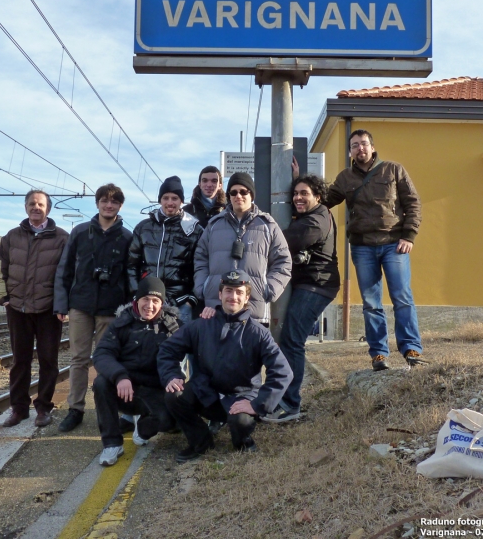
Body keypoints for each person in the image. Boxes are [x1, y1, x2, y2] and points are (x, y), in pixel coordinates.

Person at [158, 270, 293, 462]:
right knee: (174, 395)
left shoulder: (258, 333)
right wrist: (172, 375)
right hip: (206, 393)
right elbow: (168, 350)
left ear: (247, 297)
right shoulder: (201, 325)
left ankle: (243, 441)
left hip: (240, 398)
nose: (233, 297)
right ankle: (201, 441)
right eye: (229, 291)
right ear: (220, 294)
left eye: (239, 292)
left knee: (240, 422)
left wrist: (257, 404)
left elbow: (282, 372)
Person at [326, 129, 425, 371]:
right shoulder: (344, 178)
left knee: (402, 297)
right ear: (350, 151)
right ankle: (379, 354)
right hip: (362, 247)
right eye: (355, 145)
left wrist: (409, 235)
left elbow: (413, 202)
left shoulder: (393, 169)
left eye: (363, 144)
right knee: (371, 303)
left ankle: (411, 348)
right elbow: (324, 201)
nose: (360, 148)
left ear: (372, 147)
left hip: (394, 244)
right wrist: (300, 183)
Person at [53, 184, 133, 433]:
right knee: (78, 359)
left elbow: (130, 276)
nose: (109, 205)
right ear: (97, 203)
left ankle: (106, 409)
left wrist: (130, 308)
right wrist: (61, 303)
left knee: (107, 359)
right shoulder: (79, 232)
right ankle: (75, 409)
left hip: (112, 308)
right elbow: (64, 269)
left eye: (114, 202)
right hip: (81, 305)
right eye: (105, 201)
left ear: (120, 206)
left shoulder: (127, 237)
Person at [263, 173, 340, 422]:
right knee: (290, 340)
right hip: (308, 284)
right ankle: (284, 400)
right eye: (295, 193)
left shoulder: (315, 221)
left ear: (317, 197)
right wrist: (294, 175)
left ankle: (290, 404)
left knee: (292, 341)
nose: (297, 197)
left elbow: (284, 241)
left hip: (316, 285)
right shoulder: (312, 215)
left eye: (304, 193)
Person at [0, 190, 69, 427]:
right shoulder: (10, 237)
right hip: (18, 308)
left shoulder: (62, 238)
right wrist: (2, 297)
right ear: (26, 207)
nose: (36, 207)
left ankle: (44, 408)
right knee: (20, 361)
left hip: (48, 309)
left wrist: (62, 304)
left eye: (41, 204)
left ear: (48, 208)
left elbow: (67, 274)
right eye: (32, 204)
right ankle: (19, 408)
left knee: (48, 360)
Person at [91, 276, 180, 466]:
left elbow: (194, 345)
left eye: (155, 301)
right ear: (136, 300)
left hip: (154, 390)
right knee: (100, 383)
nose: (150, 305)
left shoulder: (172, 326)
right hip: (125, 388)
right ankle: (112, 444)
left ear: (162, 304)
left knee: (170, 419)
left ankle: (144, 427)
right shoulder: (121, 323)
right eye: (145, 299)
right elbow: (101, 354)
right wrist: (120, 376)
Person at [193, 172, 291, 326]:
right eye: (233, 192)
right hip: (216, 308)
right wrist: (203, 287)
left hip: (254, 311)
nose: (238, 196)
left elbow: (283, 262)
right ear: (229, 196)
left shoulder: (268, 225)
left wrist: (268, 289)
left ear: (251, 194)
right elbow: (200, 258)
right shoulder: (214, 225)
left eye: (243, 191)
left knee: (251, 350)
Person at [127, 176, 202, 323]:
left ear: (181, 201)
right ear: (160, 200)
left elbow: (201, 267)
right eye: (165, 198)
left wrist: (191, 300)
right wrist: (137, 294)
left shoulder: (195, 230)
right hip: (147, 303)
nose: (170, 203)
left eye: (174, 198)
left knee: (179, 345)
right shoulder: (144, 228)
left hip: (180, 303)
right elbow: (131, 264)